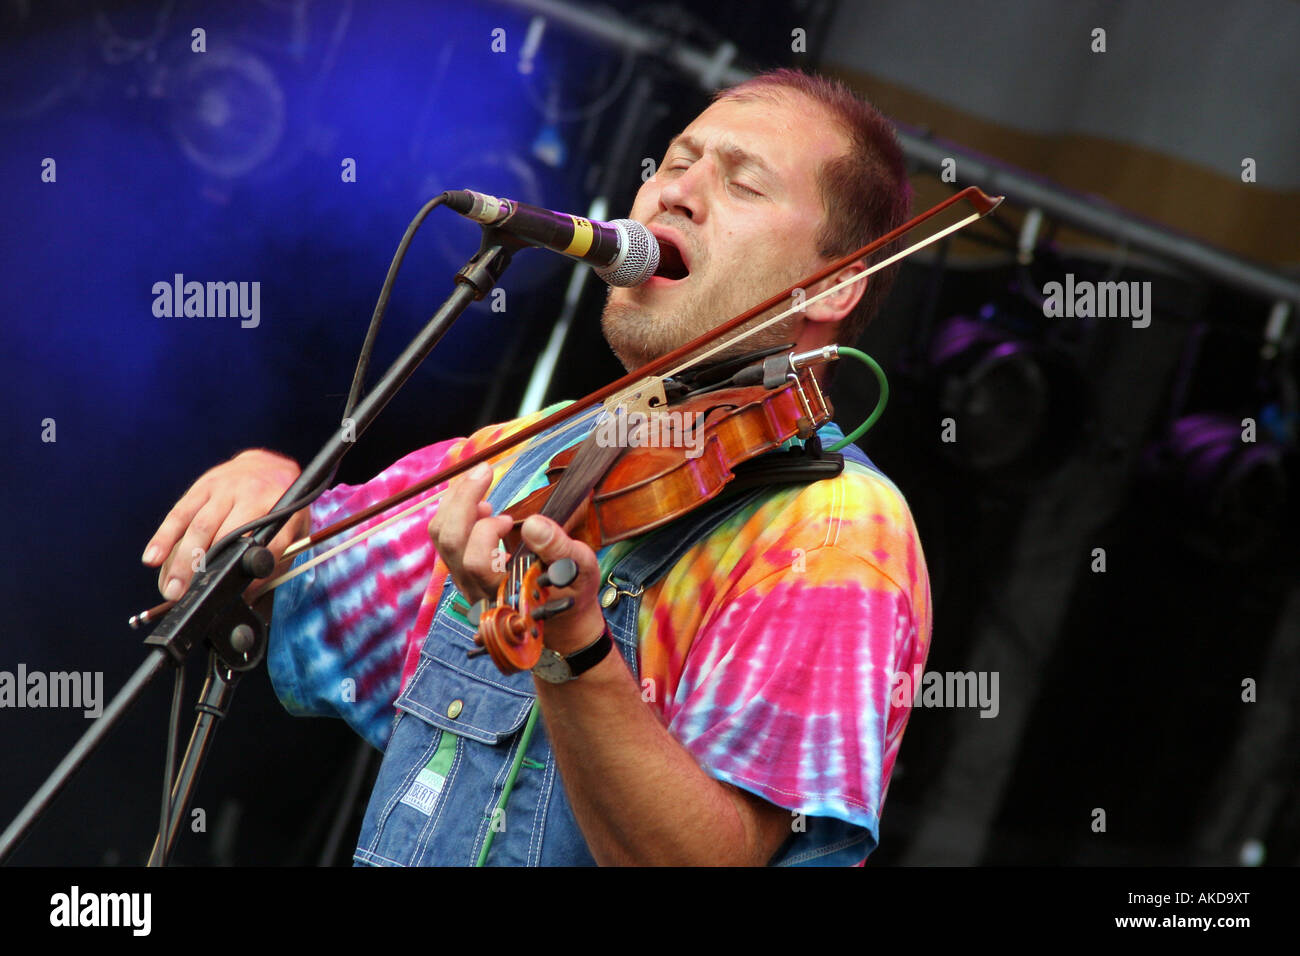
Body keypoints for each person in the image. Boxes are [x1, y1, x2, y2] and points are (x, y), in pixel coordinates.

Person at [141, 68, 931, 866]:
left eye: (743, 184)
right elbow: (294, 582)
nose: (674, 193)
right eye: (674, 162)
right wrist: (274, 495)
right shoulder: (540, 449)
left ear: (831, 287)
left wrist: (573, 646)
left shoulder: (832, 529)